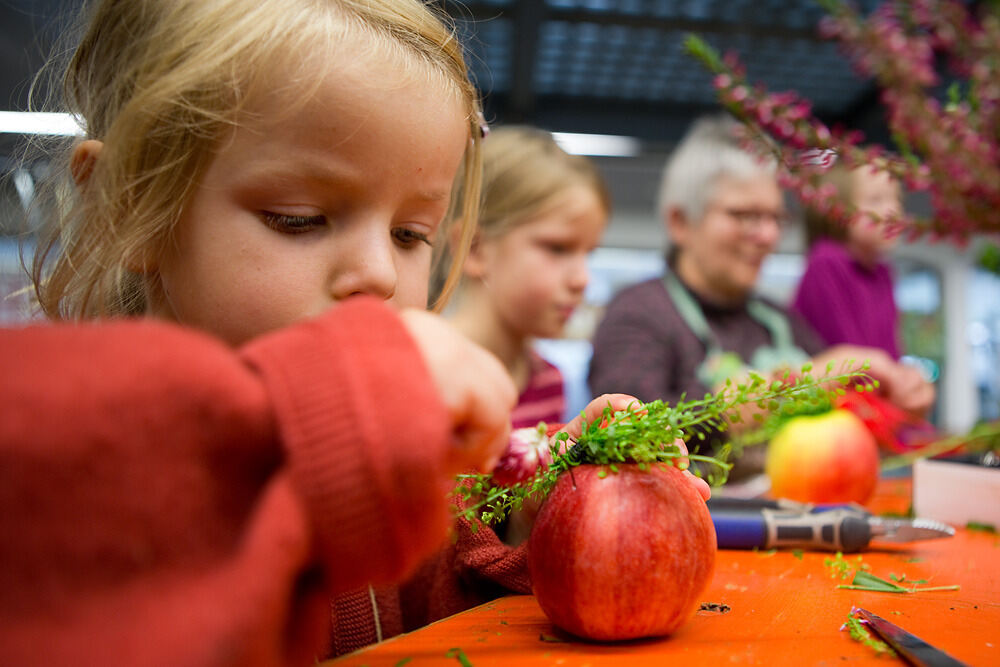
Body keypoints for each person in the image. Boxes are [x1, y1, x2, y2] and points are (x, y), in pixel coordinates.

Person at [2, 1, 515, 665]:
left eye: (410, 234)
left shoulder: (380, 459)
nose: (380, 274)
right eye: (297, 218)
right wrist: (315, 407)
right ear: (127, 205)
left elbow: (446, 614)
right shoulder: (67, 447)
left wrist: (539, 527)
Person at [588, 115, 934, 475]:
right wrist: (780, 392)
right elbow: (623, 432)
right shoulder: (639, 313)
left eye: (775, 218)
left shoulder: (779, 321)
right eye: (746, 215)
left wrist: (896, 406)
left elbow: (848, 430)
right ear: (680, 221)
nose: (768, 235)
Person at [444, 126, 611, 430]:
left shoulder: (549, 380)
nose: (582, 279)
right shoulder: (427, 368)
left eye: (588, 254)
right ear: (475, 249)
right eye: (558, 248)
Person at [792, 163, 904, 358]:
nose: (893, 210)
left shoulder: (882, 273)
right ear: (838, 210)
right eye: (875, 200)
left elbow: (891, 354)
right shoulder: (826, 263)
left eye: (897, 198)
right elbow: (849, 363)